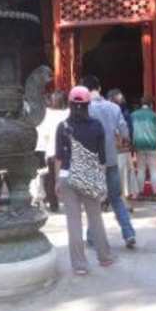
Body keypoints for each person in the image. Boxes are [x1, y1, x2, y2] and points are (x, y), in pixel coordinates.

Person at [55, 85, 114, 275]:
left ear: (70, 104)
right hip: (89, 177)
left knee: (73, 223)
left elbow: (59, 158)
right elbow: (102, 159)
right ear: (88, 104)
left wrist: (57, 181)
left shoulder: (63, 127)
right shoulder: (97, 126)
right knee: (95, 218)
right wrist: (100, 180)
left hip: (67, 176)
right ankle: (105, 257)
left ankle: (80, 266)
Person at [81, 75, 136, 249]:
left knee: (93, 201)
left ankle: (92, 237)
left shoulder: (84, 108)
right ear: (99, 88)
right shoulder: (114, 107)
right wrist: (122, 140)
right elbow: (124, 131)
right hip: (111, 159)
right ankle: (129, 233)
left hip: (92, 161)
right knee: (116, 199)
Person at [35, 90, 69, 211]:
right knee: (67, 176)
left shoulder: (47, 114)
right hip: (66, 150)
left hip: (51, 150)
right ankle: (69, 201)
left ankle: (53, 203)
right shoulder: (69, 113)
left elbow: (42, 133)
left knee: (51, 178)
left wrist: (40, 149)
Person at [107, 90, 140, 200]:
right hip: (122, 146)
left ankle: (122, 194)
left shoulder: (116, 112)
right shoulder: (123, 112)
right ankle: (127, 193)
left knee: (121, 170)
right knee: (125, 169)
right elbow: (128, 129)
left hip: (117, 146)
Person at [131, 96, 156, 198]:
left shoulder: (133, 115)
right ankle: (155, 192)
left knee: (140, 169)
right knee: (153, 169)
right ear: (151, 105)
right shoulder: (153, 115)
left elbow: (130, 130)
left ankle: (140, 192)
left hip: (139, 144)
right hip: (153, 145)